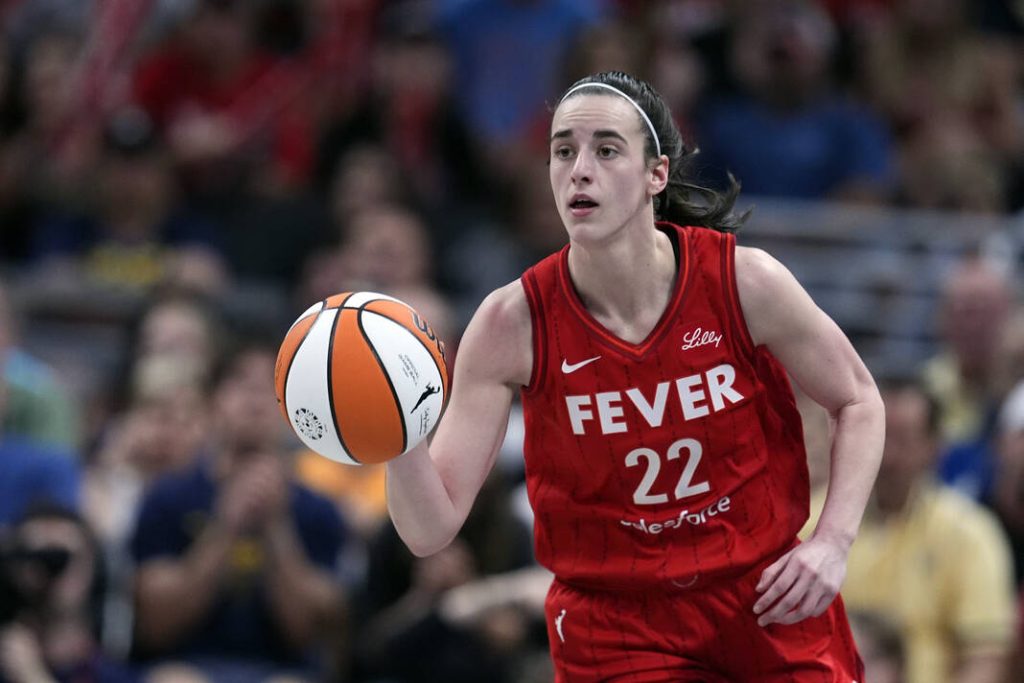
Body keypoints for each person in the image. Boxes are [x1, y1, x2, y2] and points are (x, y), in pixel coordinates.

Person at [384, 70, 885, 680]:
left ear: (657, 174)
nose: (579, 170)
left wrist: (833, 541)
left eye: (606, 150)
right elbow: (430, 530)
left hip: (765, 594)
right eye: (563, 151)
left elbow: (858, 400)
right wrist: (394, 433)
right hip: (617, 623)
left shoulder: (745, 282)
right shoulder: (510, 323)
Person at [803, 379, 1015, 683]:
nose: (887, 456)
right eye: (878, 436)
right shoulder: (810, 521)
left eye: (902, 441)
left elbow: (986, 657)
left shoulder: (970, 533)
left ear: (934, 447)